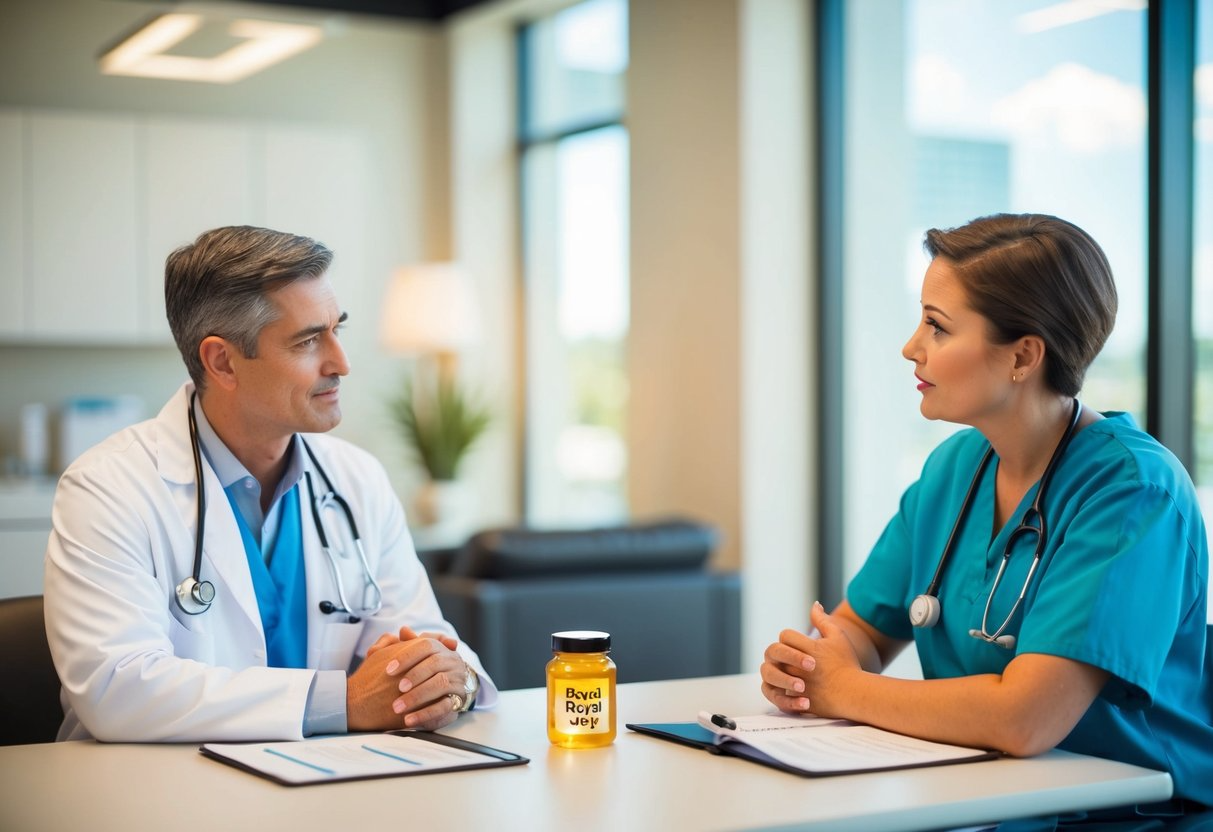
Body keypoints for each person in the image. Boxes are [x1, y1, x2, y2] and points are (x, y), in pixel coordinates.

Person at [761, 213, 1213, 811]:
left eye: (937, 327)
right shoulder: (957, 466)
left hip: (1135, 817)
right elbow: (861, 630)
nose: (910, 347)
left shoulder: (1133, 493)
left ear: (1023, 356)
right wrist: (810, 666)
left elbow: (1025, 720)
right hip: (989, 805)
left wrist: (844, 690)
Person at [44, 225, 495, 742]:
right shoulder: (106, 489)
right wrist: (344, 701)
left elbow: (420, 639)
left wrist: (450, 678)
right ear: (223, 361)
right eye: (308, 341)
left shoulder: (356, 479)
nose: (341, 364)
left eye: (336, 330)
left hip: (330, 786)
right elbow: (117, 691)